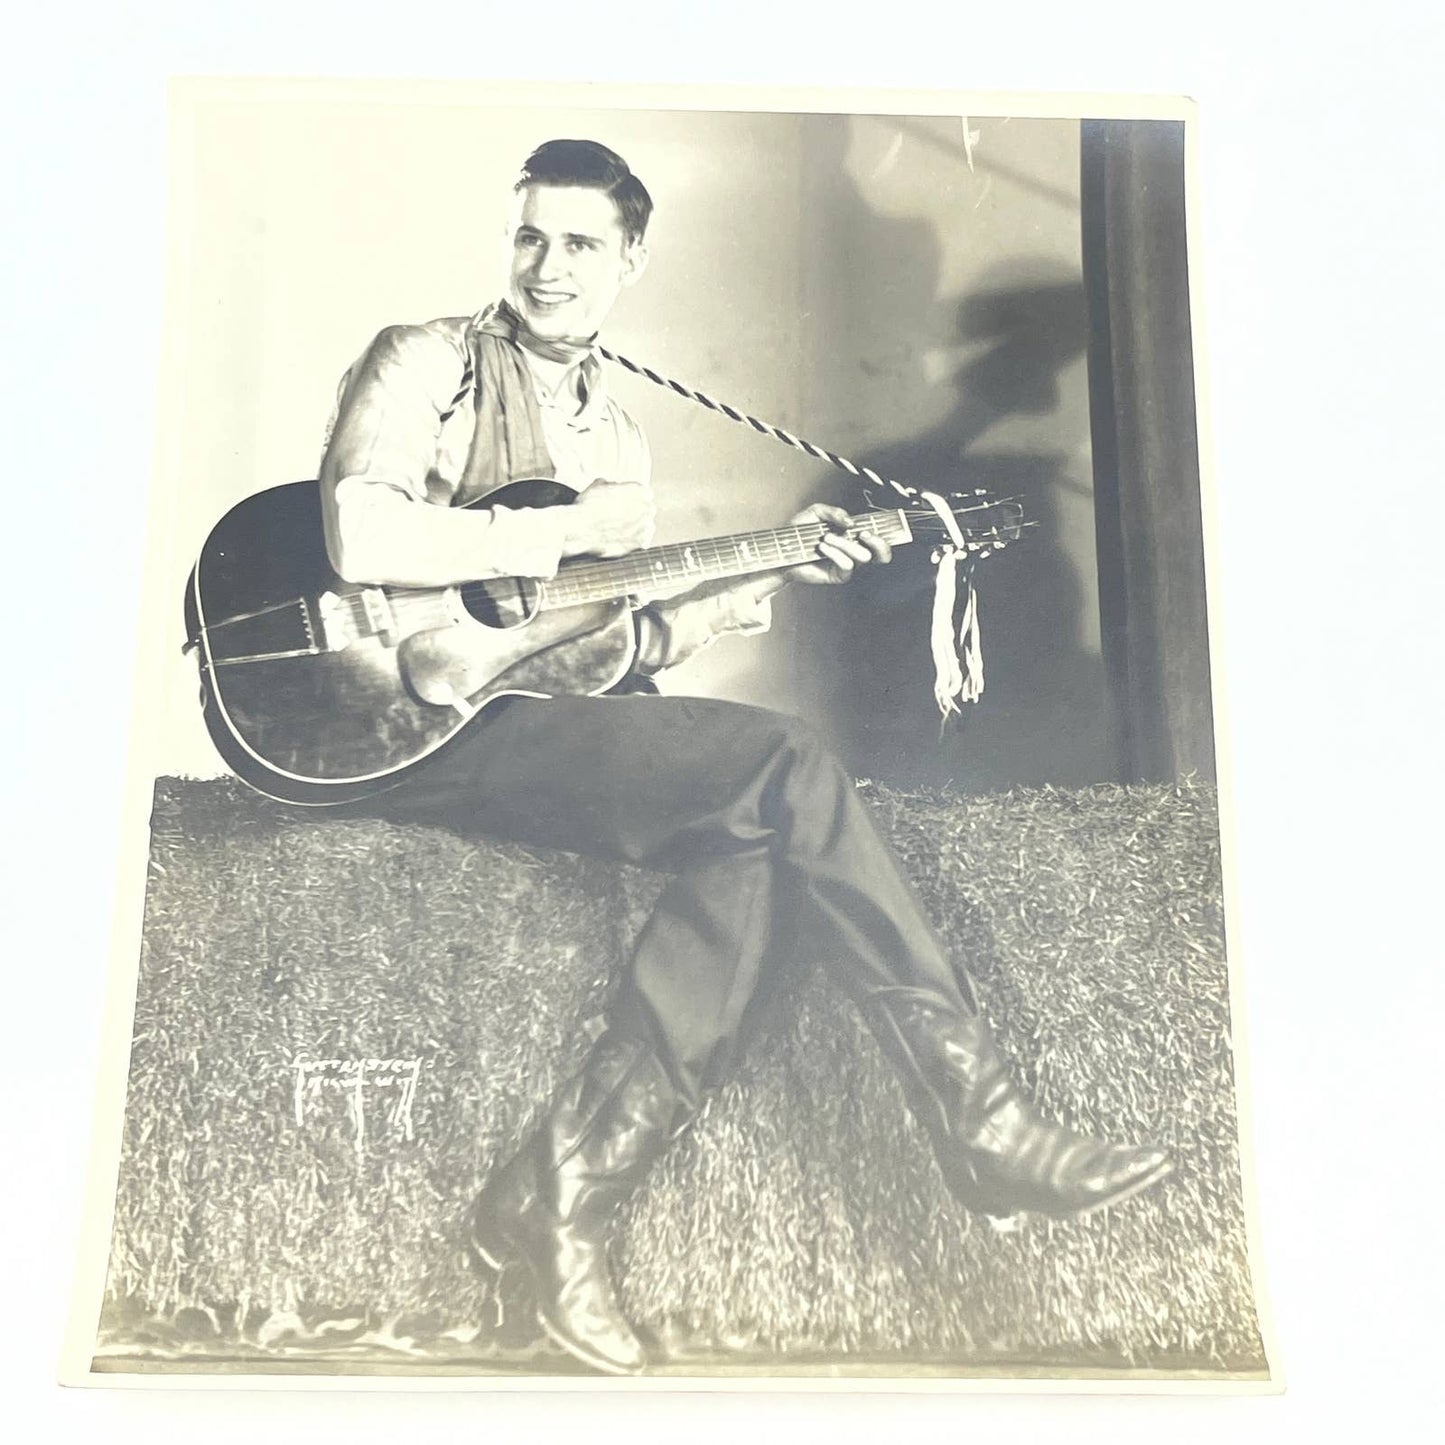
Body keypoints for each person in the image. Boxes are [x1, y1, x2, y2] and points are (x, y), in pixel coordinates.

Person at [316, 138, 1172, 1376]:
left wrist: (764, 566)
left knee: (758, 836)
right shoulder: (426, 360)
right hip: (385, 718)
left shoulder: (614, 430)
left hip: (523, 714)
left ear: (631, 256)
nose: (547, 269)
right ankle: (980, 1119)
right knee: (787, 763)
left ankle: (554, 1198)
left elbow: (609, 642)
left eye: (580, 244)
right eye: (529, 237)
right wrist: (559, 532)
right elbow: (357, 527)